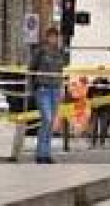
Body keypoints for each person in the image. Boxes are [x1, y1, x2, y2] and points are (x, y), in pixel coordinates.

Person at [29, 26, 66, 163]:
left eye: (56, 37)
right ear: (47, 37)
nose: (54, 39)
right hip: (43, 89)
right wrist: (34, 88)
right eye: (51, 36)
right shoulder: (40, 52)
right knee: (47, 119)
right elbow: (31, 69)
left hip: (55, 90)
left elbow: (61, 72)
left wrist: (62, 88)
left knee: (50, 124)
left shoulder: (60, 53)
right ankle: (40, 154)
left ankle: (46, 154)